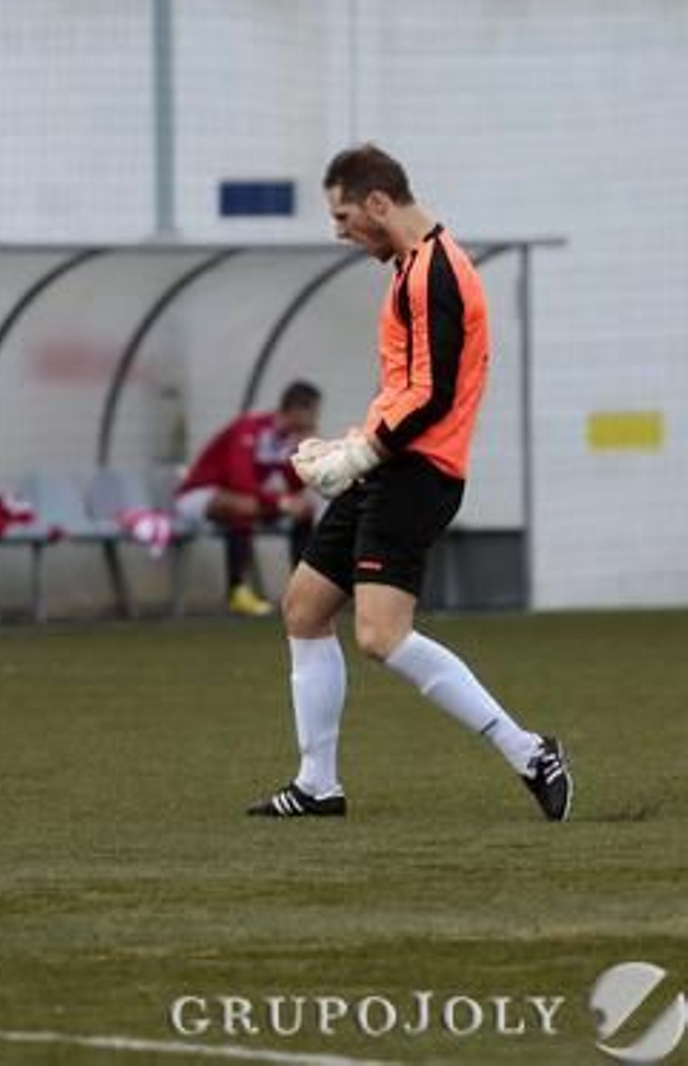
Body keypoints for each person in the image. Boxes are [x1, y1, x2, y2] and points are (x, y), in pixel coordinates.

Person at [247, 144, 571, 821]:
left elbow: (435, 394)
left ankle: (530, 751)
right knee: (304, 606)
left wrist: (361, 454)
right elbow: (407, 388)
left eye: (342, 217)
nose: (339, 232)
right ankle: (317, 786)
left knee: (380, 636)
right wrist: (353, 444)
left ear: (377, 203)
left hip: (417, 474)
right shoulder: (411, 268)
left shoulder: (437, 274)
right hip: (389, 464)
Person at [174, 381, 323, 617]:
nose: (315, 420)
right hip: (198, 496)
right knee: (244, 505)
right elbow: (239, 481)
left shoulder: (288, 439)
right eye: (313, 412)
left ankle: (302, 591)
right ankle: (237, 591)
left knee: (304, 508)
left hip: (245, 500)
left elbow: (294, 486)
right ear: (296, 410)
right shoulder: (250, 428)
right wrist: (281, 502)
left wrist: (302, 453)